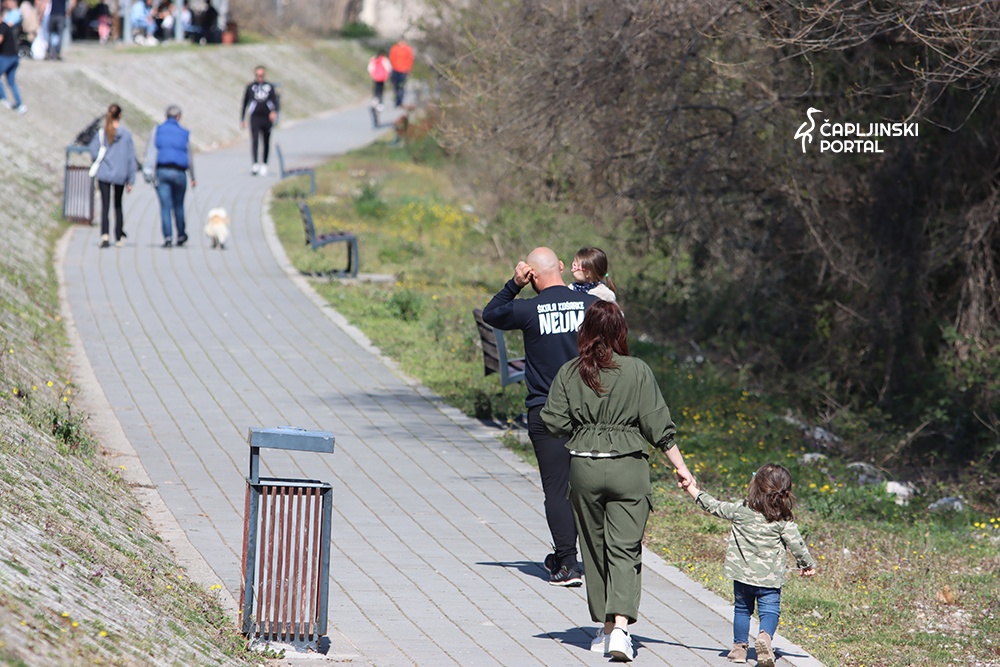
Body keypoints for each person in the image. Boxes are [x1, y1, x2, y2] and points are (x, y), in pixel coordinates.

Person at [541, 300, 695, 662]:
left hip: (584, 469)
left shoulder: (570, 372)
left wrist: (584, 424)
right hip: (628, 469)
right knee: (625, 549)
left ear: (585, 332)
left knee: (594, 549)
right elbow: (658, 426)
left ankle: (606, 628)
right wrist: (682, 468)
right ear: (620, 332)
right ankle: (621, 630)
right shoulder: (637, 370)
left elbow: (554, 423)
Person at [482, 247, 598, 587]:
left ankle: (568, 564)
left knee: (557, 488)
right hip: (590, 411)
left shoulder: (529, 309)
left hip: (547, 410)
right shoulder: (592, 306)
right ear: (561, 266)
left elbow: (492, 314)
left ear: (530, 274)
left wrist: (514, 284)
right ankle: (599, 560)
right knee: (592, 486)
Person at [685, 464, 816, 666]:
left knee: (742, 610)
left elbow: (713, 505)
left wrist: (690, 488)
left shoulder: (741, 510)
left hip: (742, 576)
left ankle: (739, 649)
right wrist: (806, 564)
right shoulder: (782, 519)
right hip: (769, 580)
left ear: (755, 486)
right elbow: (796, 543)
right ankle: (764, 638)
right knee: (770, 611)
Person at [144, 104, 196, 248]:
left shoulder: (157, 130)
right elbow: (189, 157)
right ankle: (181, 234)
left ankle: (168, 237)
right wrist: (193, 177)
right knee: (179, 205)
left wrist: (148, 172)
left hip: (162, 172)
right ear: (178, 117)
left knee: (165, 206)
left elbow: (150, 152)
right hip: (180, 173)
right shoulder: (184, 133)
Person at [88, 103, 137, 248]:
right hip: (121, 174)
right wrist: (131, 180)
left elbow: (93, 151)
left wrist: (102, 161)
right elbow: (131, 158)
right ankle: (119, 236)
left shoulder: (102, 133)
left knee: (105, 205)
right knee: (118, 205)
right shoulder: (126, 135)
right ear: (120, 115)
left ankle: (105, 234)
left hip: (104, 173)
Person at [240, 65, 279, 176]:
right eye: (257, 75)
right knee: (255, 140)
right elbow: (245, 103)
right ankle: (255, 164)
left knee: (266, 141)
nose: (259, 77)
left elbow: (275, 102)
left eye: (261, 75)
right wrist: (242, 119)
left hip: (266, 118)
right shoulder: (250, 87)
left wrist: (274, 112)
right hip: (255, 118)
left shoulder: (269, 87)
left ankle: (264, 165)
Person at [0, 0, 26, 115]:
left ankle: (3, 99)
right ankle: (20, 105)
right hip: (15, 57)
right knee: (11, 81)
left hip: (7, 57)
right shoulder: (6, 26)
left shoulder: (2, 26)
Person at [388, 38, 413, 108]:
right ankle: (397, 100)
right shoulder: (394, 48)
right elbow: (391, 58)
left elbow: (410, 60)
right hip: (395, 70)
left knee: (401, 86)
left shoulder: (408, 49)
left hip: (404, 71)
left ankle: (400, 101)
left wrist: (409, 69)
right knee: (395, 86)